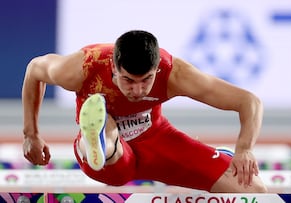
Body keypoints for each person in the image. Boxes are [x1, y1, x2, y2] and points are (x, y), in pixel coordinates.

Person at [22, 30, 267, 193]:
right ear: (114, 68)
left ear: (156, 69)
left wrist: (244, 148)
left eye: (146, 80)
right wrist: (30, 134)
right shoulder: (83, 67)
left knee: (254, 190)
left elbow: (249, 101)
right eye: (128, 80)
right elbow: (35, 69)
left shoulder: (175, 74)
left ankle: (102, 138)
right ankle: (98, 138)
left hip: (158, 141)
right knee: (109, 145)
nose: (138, 90)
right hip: (114, 159)